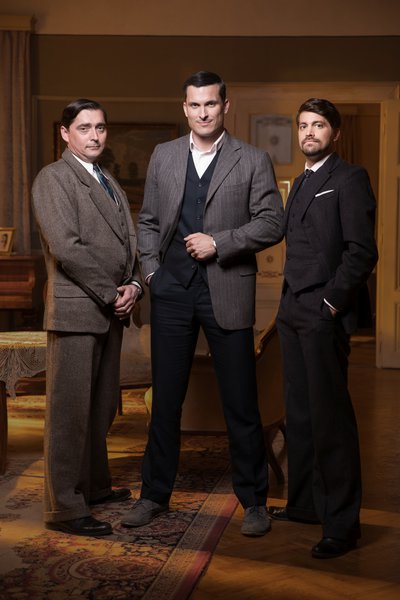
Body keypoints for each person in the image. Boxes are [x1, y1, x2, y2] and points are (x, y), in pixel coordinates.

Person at [121, 71, 284, 537]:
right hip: (171, 291)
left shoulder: (252, 159)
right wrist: (153, 273)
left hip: (227, 289)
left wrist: (221, 242)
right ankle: (154, 495)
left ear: (225, 106)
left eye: (211, 104)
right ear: (185, 108)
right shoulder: (165, 155)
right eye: (194, 105)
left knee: (240, 402)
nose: (203, 112)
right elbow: (149, 221)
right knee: (166, 401)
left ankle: (254, 502)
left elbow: (272, 222)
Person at [268, 98, 378, 558]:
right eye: (303, 125)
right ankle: (305, 506)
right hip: (291, 311)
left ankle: (342, 525)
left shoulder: (349, 178)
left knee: (330, 419)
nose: (309, 132)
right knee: (300, 415)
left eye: (318, 125)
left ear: (335, 132)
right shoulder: (301, 182)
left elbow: (361, 251)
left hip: (321, 312)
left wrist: (330, 303)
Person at [32, 99, 143, 536]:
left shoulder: (107, 178)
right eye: (84, 128)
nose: (94, 135)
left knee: (100, 409)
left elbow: (128, 242)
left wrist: (133, 284)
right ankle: (64, 507)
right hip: (78, 310)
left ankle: (94, 487)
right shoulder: (53, 178)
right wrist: (111, 293)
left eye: (100, 127)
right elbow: (66, 246)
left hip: (110, 310)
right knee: (69, 413)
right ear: (65, 133)